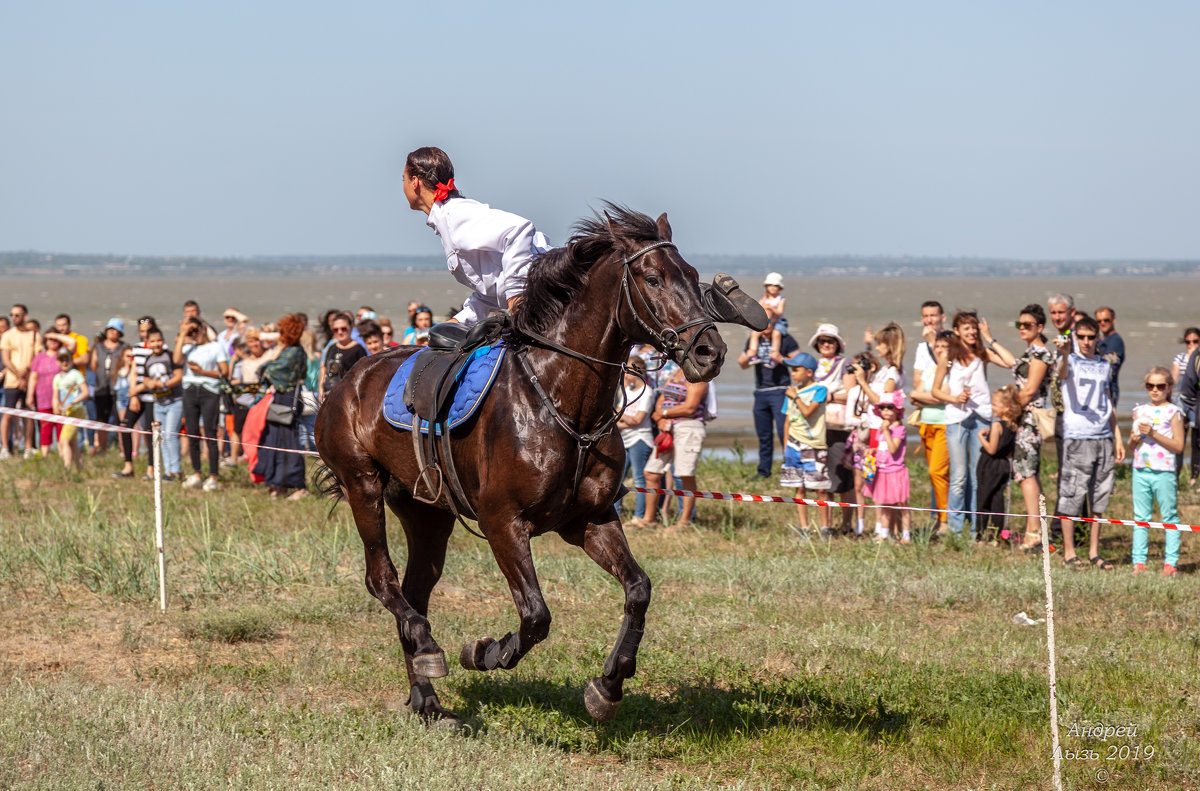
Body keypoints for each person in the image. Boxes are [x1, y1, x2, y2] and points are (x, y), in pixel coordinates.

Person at [403, 146, 551, 324]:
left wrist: (516, 296)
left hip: (553, 285)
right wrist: (459, 320)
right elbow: (495, 285)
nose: (402, 185)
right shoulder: (446, 218)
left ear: (414, 181)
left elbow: (519, 229)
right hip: (543, 291)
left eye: (403, 179)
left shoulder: (454, 214)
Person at [932, 312, 1012, 538]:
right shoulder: (948, 355)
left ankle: (978, 528)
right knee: (958, 476)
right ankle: (956, 531)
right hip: (956, 419)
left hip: (982, 417)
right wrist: (954, 398)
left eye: (974, 328)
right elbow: (936, 390)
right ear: (956, 330)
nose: (971, 332)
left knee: (979, 476)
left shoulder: (982, 353)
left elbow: (1010, 363)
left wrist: (990, 338)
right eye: (966, 328)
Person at [1055, 316, 1124, 570]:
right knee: (1071, 495)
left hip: (1103, 436)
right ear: (1075, 337)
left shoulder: (1104, 365)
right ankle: (1069, 553)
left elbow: (1108, 402)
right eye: (1081, 337)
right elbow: (1062, 375)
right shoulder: (1069, 360)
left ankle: (1094, 552)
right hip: (1077, 436)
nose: (1085, 342)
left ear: (1097, 338)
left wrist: (1117, 436)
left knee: (1100, 497)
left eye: (1090, 337)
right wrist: (1063, 354)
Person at [1007, 305, 1054, 551]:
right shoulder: (1030, 352)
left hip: (1029, 418)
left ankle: (1033, 532)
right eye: (1019, 325)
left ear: (1039, 327)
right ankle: (1036, 529)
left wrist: (1007, 411)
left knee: (1026, 474)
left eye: (1027, 325)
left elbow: (1029, 391)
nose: (1022, 329)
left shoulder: (1041, 354)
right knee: (1028, 473)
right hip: (1024, 418)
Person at [1129, 367, 1184, 576]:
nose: (1155, 390)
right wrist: (1135, 438)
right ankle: (1139, 562)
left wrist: (1153, 433)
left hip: (1164, 470)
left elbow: (1178, 446)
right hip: (1140, 469)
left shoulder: (1174, 412)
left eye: (1160, 386)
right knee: (1140, 517)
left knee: (1169, 515)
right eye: (1150, 386)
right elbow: (1131, 446)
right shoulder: (1139, 410)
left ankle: (1170, 563)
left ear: (1168, 388)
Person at [642, 365, 710, 531]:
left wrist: (664, 414)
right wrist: (660, 419)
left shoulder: (699, 376)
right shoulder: (675, 372)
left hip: (688, 427)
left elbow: (690, 407)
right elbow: (661, 399)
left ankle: (684, 522)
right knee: (651, 472)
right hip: (668, 428)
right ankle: (649, 519)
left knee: (684, 474)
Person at [253, 314, 310, 499]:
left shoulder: (292, 351)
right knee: (275, 440)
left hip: (286, 399)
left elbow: (271, 370)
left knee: (287, 442)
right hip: (287, 397)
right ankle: (279, 484)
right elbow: (303, 372)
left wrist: (266, 364)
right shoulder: (297, 350)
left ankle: (298, 486)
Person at [808, 323, 858, 532]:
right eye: (822, 341)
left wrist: (827, 396)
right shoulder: (812, 365)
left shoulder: (846, 364)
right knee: (820, 478)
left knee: (843, 480)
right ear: (817, 344)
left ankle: (847, 523)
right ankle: (826, 525)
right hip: (817, 427)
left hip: (840, 428)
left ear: (837, 344)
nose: (826, 344)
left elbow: (852, 393)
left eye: (830, 341)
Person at [738, 321, 800, 479]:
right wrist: (749, 355)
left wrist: (780, 358)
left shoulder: (786, 339)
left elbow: (799, 363)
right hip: (760, 392)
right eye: (763, 322)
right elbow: (743, 365)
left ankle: (792, 469)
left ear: (776, 322)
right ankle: (763, 471)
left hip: (780, 390)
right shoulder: (754, 340)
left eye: (769, 322)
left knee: (783, 431)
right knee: (763, 434)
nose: (766, 326)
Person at [175, 317, 231, 492]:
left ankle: (213, 475)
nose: (195, 335)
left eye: (196, 331)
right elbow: (176, 360)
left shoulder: (216, 347)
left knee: (210, 432)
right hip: (190, 391)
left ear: (203, 329)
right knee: (191, 433)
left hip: (209, 392)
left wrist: (203, 372)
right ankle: (197, 473)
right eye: (192, 332)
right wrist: (184, 333)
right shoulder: (188, 347)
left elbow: (224, 372)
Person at [779, 353, 832, 535]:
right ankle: (804, 527)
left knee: (820, 489)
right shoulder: (791, 393)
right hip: (794, 445)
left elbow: (808, 412)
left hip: (814, 445)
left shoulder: (819, 390)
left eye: (796, 370)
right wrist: (786, 446)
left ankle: (825, 528)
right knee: (799, 487)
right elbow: (787, 421)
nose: (792, 374)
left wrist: (795, 397)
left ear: (809, 372)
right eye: (791, 370)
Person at [910, 329, 952, 532]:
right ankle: (938, 516)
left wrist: (925, 396)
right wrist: (929, 396)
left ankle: (945, 519)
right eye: (938, 347)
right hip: (926, 425)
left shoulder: (953, 371)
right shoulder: (930, 369)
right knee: (934, 474)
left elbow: (943, 396)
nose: (941, 351)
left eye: (945, 347)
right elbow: (913, 395)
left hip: (944, 425)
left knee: (938, 471)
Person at [861, 391, 910, 543]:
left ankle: (906, 535)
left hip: (895, 471)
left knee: (901, 504)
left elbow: (893, 448)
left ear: (897, 410)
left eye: (890, 407)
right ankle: (884, 534)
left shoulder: (899, 429)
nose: (886, 411)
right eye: (882, 408)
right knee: (883, 504)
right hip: (881, 470)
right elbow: (883, 447)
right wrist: (872, 450)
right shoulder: (881, 428)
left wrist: (887, 431)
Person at [975, 385, 1021, 544]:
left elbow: (991, 449)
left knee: (983, 499)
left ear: (1006, 407)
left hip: (989, 465)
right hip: (1003, 465)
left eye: (995, 404)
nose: (992, 407)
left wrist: (981, 437)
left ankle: (980, 535)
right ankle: (997, 534)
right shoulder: (1014, 426)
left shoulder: (997, 425)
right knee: (997, 500)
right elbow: (1007, 451)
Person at [618, 357, 655, 527]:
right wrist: (624, 416)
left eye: (627, 370)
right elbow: (616, 415)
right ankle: (616, 513)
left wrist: (621, 414)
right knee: (619, 478)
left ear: (636, 371)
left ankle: (639, 516)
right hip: (625, 438)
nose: (624, 374)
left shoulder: (647, 392)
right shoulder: (628, 391)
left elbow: (638, 419)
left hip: (640, 439)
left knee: (639, 479)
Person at [143, 328, 184, 481]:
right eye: (153, 341)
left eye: (159, 340)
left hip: (175, 401)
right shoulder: (148, 360)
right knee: (161, 437)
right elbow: (145, 379)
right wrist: (151, 383)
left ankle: (176, 469)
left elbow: (179, 376)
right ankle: (168, 470)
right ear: (148, 343)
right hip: (158, 403)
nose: (156, 344)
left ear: (163, 341)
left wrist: (164, 384)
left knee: (170, 434)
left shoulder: (171, 356)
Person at [1, 304, 38, 459]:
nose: (14, 318)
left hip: (29, 380)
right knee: (8, 414)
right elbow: (6, 359)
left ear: (25, 316)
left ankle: (28, 447)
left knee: (28, 413)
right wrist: (18, 374)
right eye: (12, 315)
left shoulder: (34, 335)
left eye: (17, 315)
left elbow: (36, 357)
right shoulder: (8, 335)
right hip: (12, 380)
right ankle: (5, 448)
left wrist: (26, 374)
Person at [88, 318, 128, 454]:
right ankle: (102, 447)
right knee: (101, 419)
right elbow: (93, 365)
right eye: (110, 329)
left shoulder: (124, 347)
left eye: (115, 330)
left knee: (121, 419)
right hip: (101, 387)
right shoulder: (98, 347)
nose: (112, 332)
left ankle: (125, 449)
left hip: (118, 388)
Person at [27, 331, 66, 456]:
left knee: (61, 427)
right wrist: (29, 395)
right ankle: (45, 455)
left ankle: (62, 454)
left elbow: (72, 343)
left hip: (61, 398)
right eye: (49, 339)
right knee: (45, 427)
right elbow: (33, 377)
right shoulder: (39, 357)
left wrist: (55, 335)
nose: (52, 341)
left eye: (54, 339)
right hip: (43, 396)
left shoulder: (62, 354)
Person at [51, 349, 89, 470]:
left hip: (76, 411)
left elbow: (85, 392)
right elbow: (55, 397)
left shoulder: (75, 374)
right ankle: (80, 467)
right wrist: (56, 407)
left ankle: (67, 468)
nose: (65, 362)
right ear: (58, 361)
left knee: (64, 440)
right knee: (72, 442)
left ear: (72, 360)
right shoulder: (57, 378)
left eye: (67, 359)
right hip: (65, 413)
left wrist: (73, 402)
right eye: (62, 360)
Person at [319, 313, 368, 400]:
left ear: (351, 327)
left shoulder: (358, 350)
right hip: (329, 395)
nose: (340, 332)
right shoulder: (332, 348)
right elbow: (325, 370)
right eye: (336, 330)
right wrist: (321, 389)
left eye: (343, 329)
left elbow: (364, 376)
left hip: (348, 397)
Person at [1173, 327, 1200, 486]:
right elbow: (1174, 379)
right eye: (1188, 342)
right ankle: (1175, 477)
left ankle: (1193, 478)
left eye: (1195, 341)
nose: (1191, 345)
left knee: (1197, 441)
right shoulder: (1180, 358)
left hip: (1197, 403)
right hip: (1182, 401)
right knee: (1179, 439)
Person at [746, 273, 786, 366]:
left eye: (775, 286)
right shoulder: (763, 299)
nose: (772, 287)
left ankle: (773, 356)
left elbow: (780, 312)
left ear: (779, 287)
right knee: (754, 333)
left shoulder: (781, 299)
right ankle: (753, 354)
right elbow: (758, 310)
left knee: (776, 334)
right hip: (766, 321)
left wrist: (771, 308)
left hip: (777, 321)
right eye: (770, 285)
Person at [1095, 306, 1125, 405]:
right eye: (1099, 321)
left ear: (1113, 320)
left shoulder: (1115, 341)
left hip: (1110, 390)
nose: (1102, 323)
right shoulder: (1099, 340)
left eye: (1106, 320)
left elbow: (1110, 367)